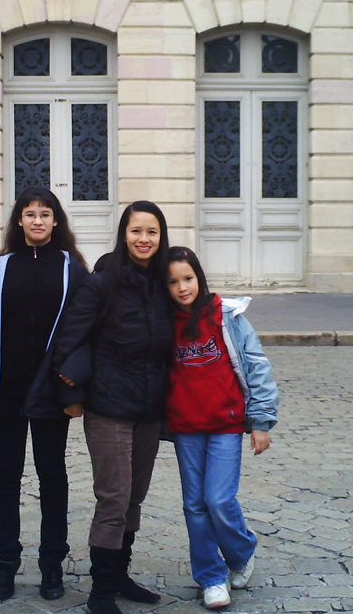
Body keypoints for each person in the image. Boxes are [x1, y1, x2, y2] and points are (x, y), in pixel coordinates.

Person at [53, 201, 173, 614]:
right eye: (136, 230)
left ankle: (120, 575)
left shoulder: (164, 283)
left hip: (149, 410)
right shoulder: (102, 284)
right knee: (114, 499)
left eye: (152, 232)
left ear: (161, 237)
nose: (144, 239)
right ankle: (100, 592)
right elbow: (67, 341)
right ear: (124, 234)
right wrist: (72, 396)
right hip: (109, 407)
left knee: (134, 497)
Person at [0, 187, 89, 602]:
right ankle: (6, 563)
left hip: (49, 390)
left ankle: (52, 565)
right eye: (30, 214)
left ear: (56, 221)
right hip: (7, 390)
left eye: (45, 214)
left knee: (52, 476)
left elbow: (84, 328)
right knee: (5, 477)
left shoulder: (71, 268)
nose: (37, 221)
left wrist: (74, 380)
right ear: (19, 221)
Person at [165, 246, 279, 610]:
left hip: (225, 424)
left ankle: (241, 551)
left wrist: (260, 422)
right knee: (195, 504)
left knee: (218, 498)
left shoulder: (226, 316)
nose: (182, 288)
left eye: (188, 278)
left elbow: (256, 366)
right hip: (185, 426)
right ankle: (211, 577)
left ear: (199, 277)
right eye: (173, 282)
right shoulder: (163, 322)